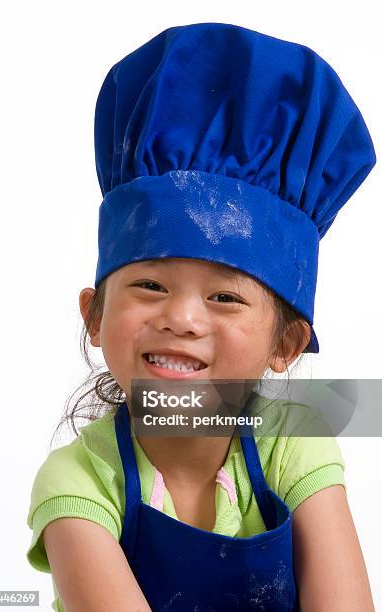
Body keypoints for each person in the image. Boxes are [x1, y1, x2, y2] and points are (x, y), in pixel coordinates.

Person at [26, 22, 377, 611]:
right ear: (94, 314)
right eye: (150, 284)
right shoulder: (76, 482)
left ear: (287, 343)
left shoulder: (294, 444)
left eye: (225, 297)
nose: (182, 317)